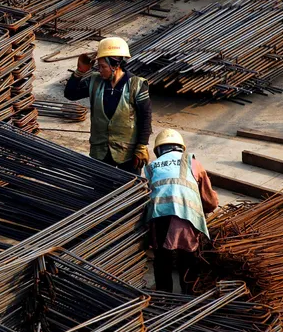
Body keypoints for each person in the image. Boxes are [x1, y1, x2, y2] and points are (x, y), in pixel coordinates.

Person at [145, 129, 219, 292]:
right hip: (188, 218)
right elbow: (210, 200)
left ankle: (164, 299)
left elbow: (146, 200)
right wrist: (207, 209)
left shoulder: (150, 167)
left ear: (158, 150)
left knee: (162, 261)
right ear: (181, 147)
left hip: (160, 219)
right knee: (189, 258)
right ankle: (189, 296)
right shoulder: (193, 162)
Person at [64, 36, 151, 172]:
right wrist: (79, 72)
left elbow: (145, 118)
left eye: (103, 67)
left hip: (127, 152)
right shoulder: (95, 81)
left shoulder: (136, 85)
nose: (99, 70)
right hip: (100, 150)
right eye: (98, 66)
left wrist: (141, 146)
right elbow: (70, 94)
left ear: (115, 65)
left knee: (130, 188)